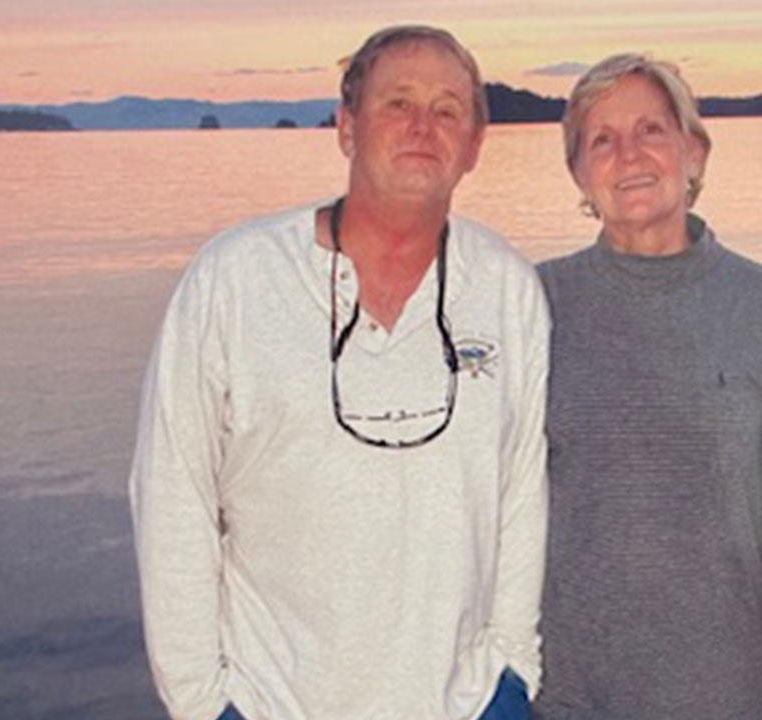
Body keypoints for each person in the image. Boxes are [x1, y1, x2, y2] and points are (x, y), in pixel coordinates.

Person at [129, 25, 548, 720]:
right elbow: (173, 493)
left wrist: (512, 671)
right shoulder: (237, 279)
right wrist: (203, 702)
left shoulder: (506, 289)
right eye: (397, 103)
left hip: (464, 703)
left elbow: (521, 489)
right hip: (272, 702)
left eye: (448, 110)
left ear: (474, 145)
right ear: (346, 127)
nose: (423, 126)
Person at [533, 54, 762, 720]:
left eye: (650, 131)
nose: (628, 155)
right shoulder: (536, 303)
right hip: (563, 696)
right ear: (579, 173)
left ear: (693, 152)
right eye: (602, 141)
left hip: (719, 693)